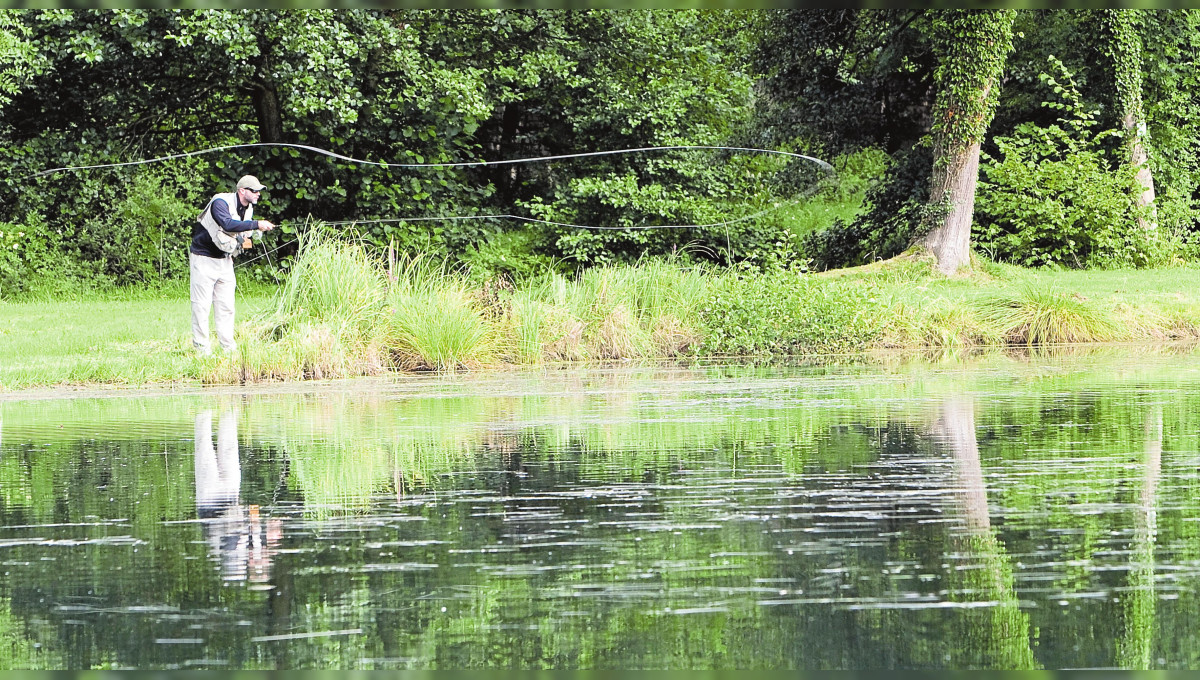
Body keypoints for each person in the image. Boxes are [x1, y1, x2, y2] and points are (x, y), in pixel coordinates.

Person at [190, 174, 275, 355]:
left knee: (226, 306)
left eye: (259, 191)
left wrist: (247, 237)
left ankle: (228, 349)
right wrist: (257, 224)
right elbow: (227, 224)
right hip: (203, 258)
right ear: (242, 191)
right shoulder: (219, 203)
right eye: (254, 191)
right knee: (201, 306)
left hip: (225, 261)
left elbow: (241, 233)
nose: (258, 194)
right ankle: (202, 350)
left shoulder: (248, 208)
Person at [194, 410, 282, 583]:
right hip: (231, 495)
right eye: (262, 563)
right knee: (229, 447)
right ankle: (228, 407)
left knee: (204, 445)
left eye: (257, 564)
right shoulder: (256, 544)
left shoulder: (227, 549)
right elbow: (253, 513)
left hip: (209, 498)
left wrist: (257, 535)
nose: (258, 561)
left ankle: (203, 407)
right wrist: (265, 530)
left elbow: (231, 529)